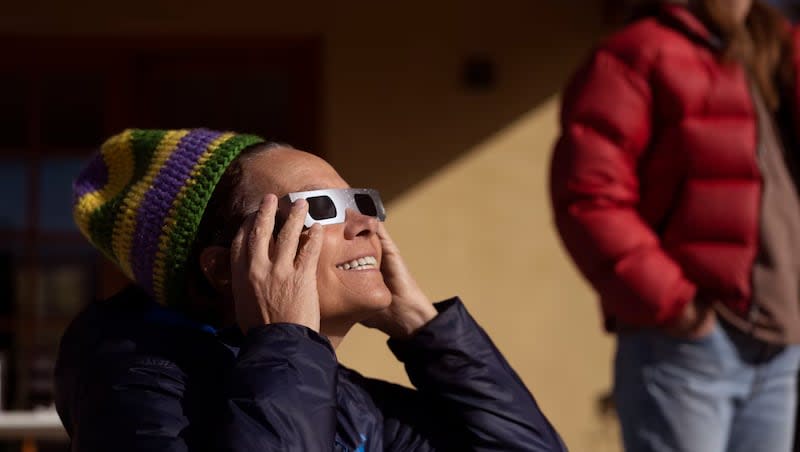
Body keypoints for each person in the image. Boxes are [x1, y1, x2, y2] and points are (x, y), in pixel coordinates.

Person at [55, 128, 566, 451]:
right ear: (221, 269)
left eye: (358, 201)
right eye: (320, 207)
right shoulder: (136, 392)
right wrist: (286, 337)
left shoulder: (340, 398)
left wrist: (426, 330)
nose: (365, 223)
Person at [550, 1, 800, 451]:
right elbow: (588, 194)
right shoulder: (639, 53)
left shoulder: (772, 51)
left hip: (780, 342)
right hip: (690, 343)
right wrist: (676, 306)